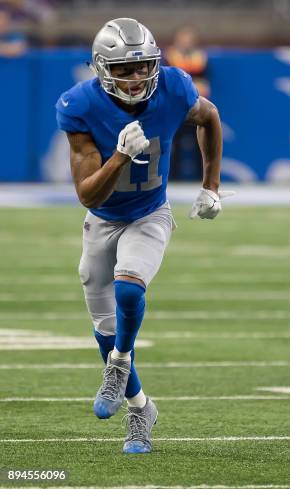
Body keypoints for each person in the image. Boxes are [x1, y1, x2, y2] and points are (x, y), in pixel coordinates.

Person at [55, 17, 231, 454]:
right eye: (124, 69)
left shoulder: (173, 87)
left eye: (143, 67)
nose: (136, 78)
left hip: (151, 212)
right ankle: (140, 408)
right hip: (103, 217)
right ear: (101, 68)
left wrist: (210, 185)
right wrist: (118, 157)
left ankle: (118, 363)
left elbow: (209, 117)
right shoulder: (79, 104)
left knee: (129, 289)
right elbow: (86, 193)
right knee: (104, 323)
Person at [164, 24, 210, 181]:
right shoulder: (170, 56)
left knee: (200, 142)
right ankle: (171, 177)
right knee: (172, 142)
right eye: (184, 38)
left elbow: (204, 81)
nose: (187, 41)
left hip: (195, 106)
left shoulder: (200, 57)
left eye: (189, 38)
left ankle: (202, 177)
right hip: (175, 108)